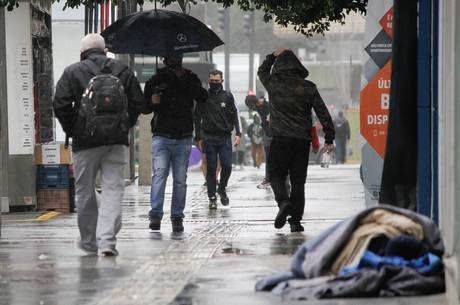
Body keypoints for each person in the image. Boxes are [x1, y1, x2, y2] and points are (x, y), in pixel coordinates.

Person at [53, 33, 144, 256]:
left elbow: (60, 104)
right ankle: (107, 242)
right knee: (113, 190)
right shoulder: (122, 70)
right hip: (116, 141)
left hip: (85, 142)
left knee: (84, 192)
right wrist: (124, 125)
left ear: (83, 52)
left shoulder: (73, 71)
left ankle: (88, 242)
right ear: (105, 51)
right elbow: (137, 103)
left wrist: (74, 129)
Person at [258, 48, 335, 232]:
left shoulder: (273, 83)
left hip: (280, 139)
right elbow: (323, 113)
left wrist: (272, 55)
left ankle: (283, 202)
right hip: (301, 141)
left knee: (276, 175)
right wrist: (329, 138)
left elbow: (261, 71)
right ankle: (295, 222)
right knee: (298, 182)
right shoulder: (309, 87)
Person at [143, 54, 208, 232]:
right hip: (161, 135)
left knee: (180, 180)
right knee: (160, 175)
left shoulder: (191, 77)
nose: (175, 60)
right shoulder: (156, 79)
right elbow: (144, 107)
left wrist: (186, 81)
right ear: (165, 59)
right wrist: (152, 101)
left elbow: (203, 96)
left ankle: (177, 217)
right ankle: (155, 215)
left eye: (177, 57)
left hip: (183, 136)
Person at [195, 70, 241, 209]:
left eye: (217, 81)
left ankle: (222, 188)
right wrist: (198, 137)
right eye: (212, 81)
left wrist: (238, 133)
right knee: (211, 168)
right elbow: (197, 117)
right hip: (209, 136)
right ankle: (212, 197)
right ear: (208, 80)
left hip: (225, 136)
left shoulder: (228, 96)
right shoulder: (204, 96)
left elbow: (235, 115)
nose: (214, 83)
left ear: (222, 81)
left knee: (227, 165)